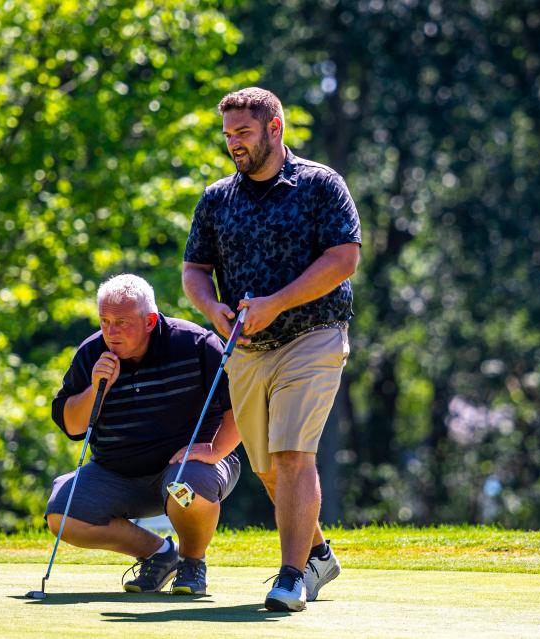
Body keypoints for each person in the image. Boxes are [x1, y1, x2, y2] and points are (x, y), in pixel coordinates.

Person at [182, 87, 361, 611]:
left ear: (275, 127)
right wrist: (212, 309)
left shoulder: (319, 185)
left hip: (313, 334)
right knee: (266, 467)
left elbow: (344, 258)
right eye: (228, 134)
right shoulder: (217, 198)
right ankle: (320, 553)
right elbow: (195, 269)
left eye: (244, 132)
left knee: (292, 453)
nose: (234, 143)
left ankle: (291, 576)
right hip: (246, 346)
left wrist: (278, 303)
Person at [47, 274, 241, 595]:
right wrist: (97, 388)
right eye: (105, 321)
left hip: (190, 468)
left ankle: (192, 563)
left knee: (183, 487)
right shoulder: (91, 354)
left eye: (121, 322)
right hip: (117, 473)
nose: (111, 332)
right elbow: (72, 425)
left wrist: (217, 450)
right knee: (62, 514)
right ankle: (161, 555)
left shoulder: (195, 344)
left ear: (150, 321)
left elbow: (240, 405)